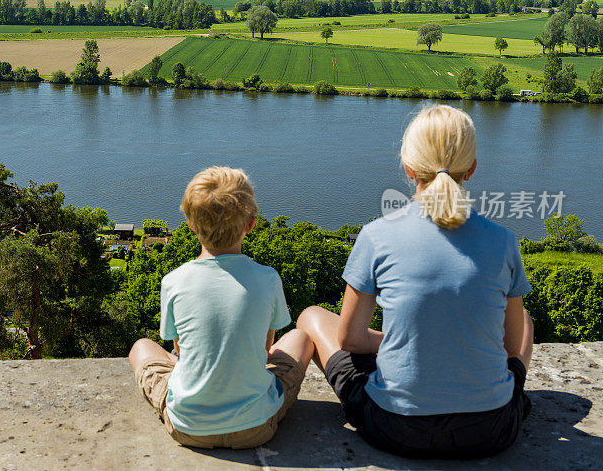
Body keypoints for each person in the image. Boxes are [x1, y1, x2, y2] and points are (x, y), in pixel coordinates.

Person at [297, 105, 533, 459]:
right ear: (471, 169)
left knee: (312, 316)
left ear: (408, 169)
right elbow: (512, 349)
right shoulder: (502, 240)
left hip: (395, 427)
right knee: (524, 318)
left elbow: (349, 338)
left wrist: (402, 343)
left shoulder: (376, 235)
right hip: (490, 429)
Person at [128, 166, 314, 449]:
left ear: (190, 224)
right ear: (250, 224)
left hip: (187, 427)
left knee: (141, 346)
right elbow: (266, 350)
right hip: (256, 427)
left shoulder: (174, 281)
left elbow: (178, 349)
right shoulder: (267, 278)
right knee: (300, 337)